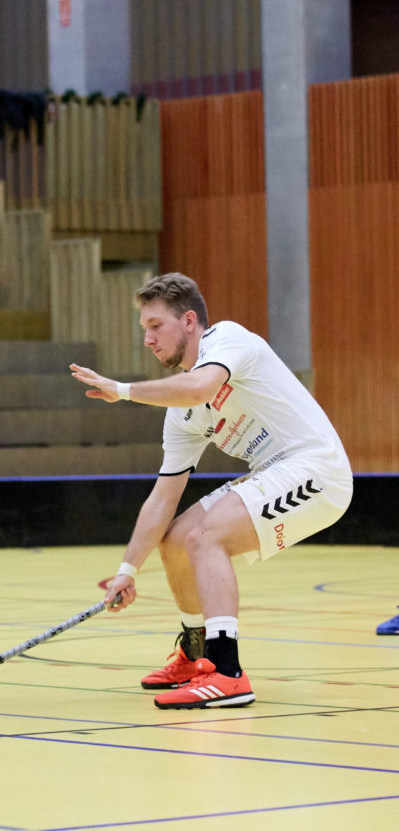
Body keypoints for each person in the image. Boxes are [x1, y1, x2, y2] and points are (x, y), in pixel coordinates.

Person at [71, 272, 354, 709]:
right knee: (176, 541)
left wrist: (123, 390)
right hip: (275, 472)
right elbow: (162, 499)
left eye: (155, 326)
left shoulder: (228, 339)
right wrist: (128, 569)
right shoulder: (182, 413)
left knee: (207, 536)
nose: (147, 339)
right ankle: (194, 652)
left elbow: (201, 386)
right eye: (144, 328)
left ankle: (227, 673)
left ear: (189, 321)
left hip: (318, 471)